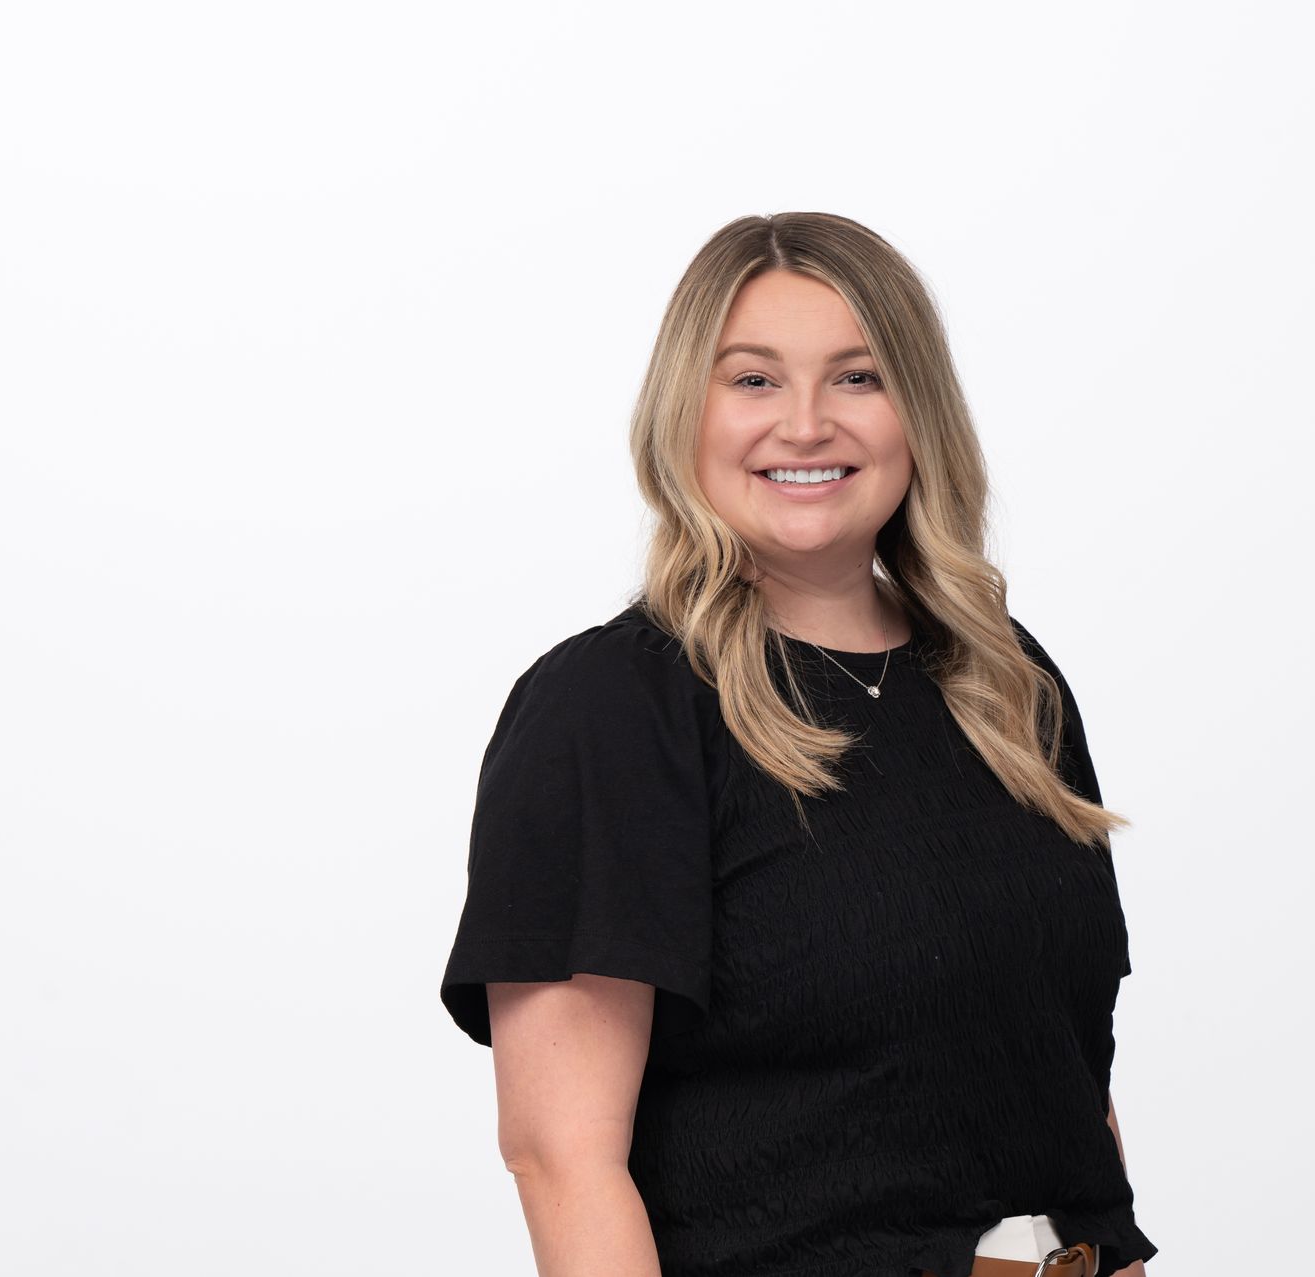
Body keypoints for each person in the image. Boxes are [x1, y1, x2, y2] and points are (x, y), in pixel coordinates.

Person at [440, 212, 1157, 1277]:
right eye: (755, 380)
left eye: (859, 378)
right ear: (685, 412)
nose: (808, 424)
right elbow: (561, 1157)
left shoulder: (1005, 681)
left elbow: (1068, 1077)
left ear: (918, 411)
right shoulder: (613, 709)